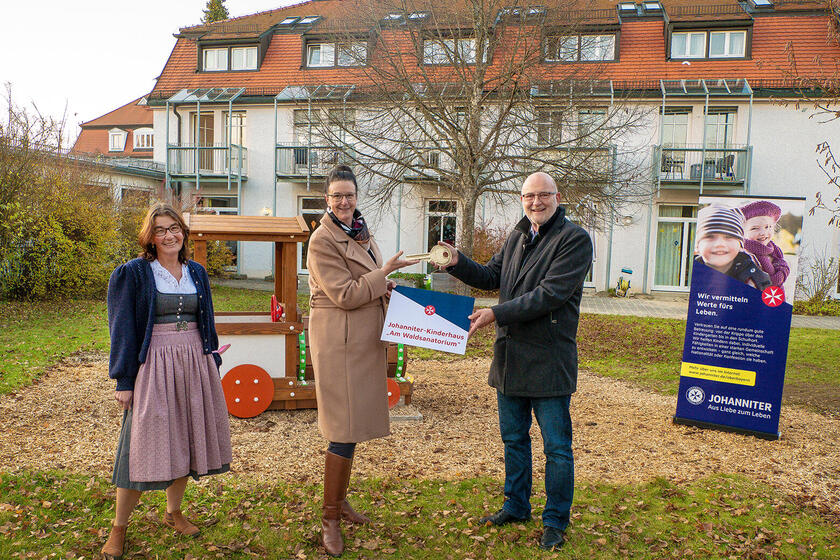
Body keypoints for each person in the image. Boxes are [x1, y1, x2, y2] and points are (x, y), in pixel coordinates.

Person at [438, 172, 592, 551]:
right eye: (528, 196)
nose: (535, 202)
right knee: (514, 440)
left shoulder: (573, 239)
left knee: (556, 448)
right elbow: (492, 275)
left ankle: (555, 520)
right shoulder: (519, 234)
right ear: (521, 199)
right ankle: (516, 504)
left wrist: (496, 314)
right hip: (510, 359)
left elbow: (549, 295)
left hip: (548, 359)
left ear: (557, 197)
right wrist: (458, 261)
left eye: (543, 195)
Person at [101, 203, 232, 560]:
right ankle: (119, 527)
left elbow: (207, 319)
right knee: (138, 443)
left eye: (175, 228)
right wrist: (124, 379)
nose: (169, 235)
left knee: (186, 438)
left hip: (194, 362)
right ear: (150, 237)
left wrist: (212, 356)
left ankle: (173, 512)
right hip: (154, 363)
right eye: (161, 230)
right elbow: (122, 328)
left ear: (183, 233)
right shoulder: (133, 274)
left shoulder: (197, 272)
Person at [306, 165, 418, 557]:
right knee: (342, 426)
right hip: (339, 340)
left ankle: (340, 503)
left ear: (356, 197)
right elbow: (345, 295)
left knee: (351, 428)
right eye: (336, 196)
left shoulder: (361, 233)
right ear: (327, 200)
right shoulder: (322, 240)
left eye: (348, 195)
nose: (343, 202)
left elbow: (367, 283)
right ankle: (329, 520)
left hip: (361, 337)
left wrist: (386, 283)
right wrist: (382, 273)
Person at [694, 204, 771, 290]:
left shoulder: (757, 279)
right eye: (709, 236)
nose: (720, 244)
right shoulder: (689, 273)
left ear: (740, 245)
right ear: (697, 246)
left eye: (729, 237)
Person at [741, 200, 789, 287]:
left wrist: (781, 272)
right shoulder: (743, 255)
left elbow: (782, 265)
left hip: (774, 298)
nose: (763, 232)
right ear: (742, 232)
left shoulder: (775, 251)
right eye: (755, 228)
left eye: (768, 227)